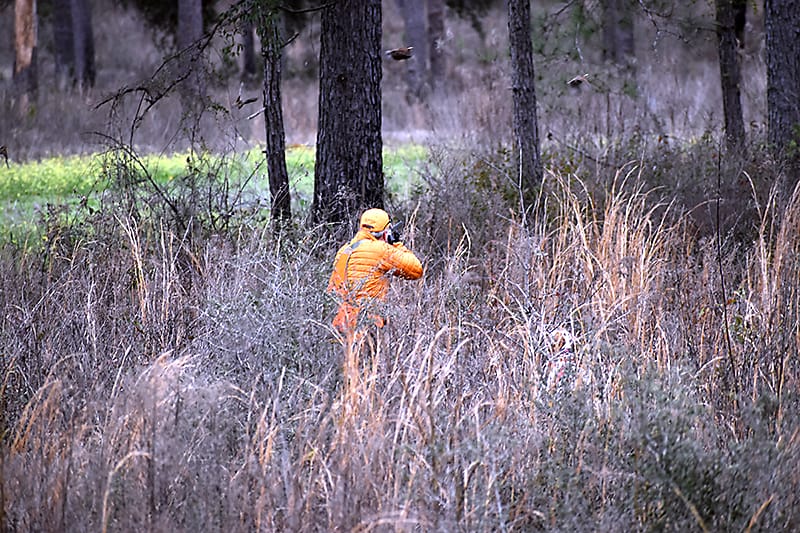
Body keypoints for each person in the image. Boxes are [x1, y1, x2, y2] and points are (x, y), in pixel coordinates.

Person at [327, 208, 423, 340]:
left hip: (339, 325)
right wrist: (395, 243)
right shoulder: (381, 250)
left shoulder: (344, 250)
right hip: (366, 326)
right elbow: (416, 270)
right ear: (385, 231)